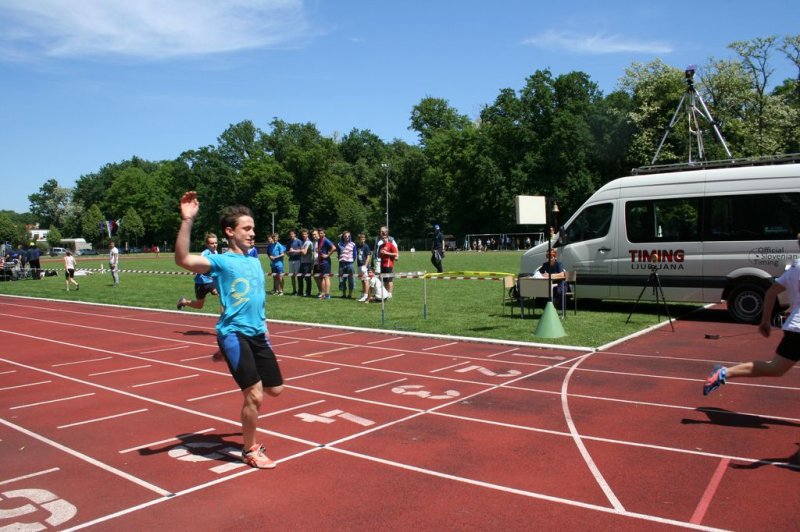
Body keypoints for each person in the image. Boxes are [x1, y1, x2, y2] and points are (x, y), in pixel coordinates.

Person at [175, 191, 284, 469]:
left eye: (253, 228)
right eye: (246, 228)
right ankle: (249, 450)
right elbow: (183, 260)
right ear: (229, 231)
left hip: (258, 333)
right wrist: (187, 220)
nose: (252, 233)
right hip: (233, 332)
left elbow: (257, 298)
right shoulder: (221, 261)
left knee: (276, 390)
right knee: (255, 394)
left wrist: (265, 326)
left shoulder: (254, 259)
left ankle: (229, 352)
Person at [704, 244, 800, 396]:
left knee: (776, 368)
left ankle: (723, 373)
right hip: (797, 329)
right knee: (775, 368)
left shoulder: (795, 268)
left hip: (795, 328)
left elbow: (771, 293)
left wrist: (766, 321)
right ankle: (723, 373)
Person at [177, 232, 219, 310]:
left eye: (216, 243)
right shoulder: (205, 254)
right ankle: (184, 301)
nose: (214, 245)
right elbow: (197, 263)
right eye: (212, 243)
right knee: (199, 305)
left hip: (211, 282)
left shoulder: (216, 253)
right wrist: (198, 269)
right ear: (207, 244)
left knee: (221, 294)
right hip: (201, 283)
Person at [336, 230, 356, 298]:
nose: (347, 237)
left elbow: (354, 255)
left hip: (350, 264)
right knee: (342, 280)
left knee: (351, 280)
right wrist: (340, 259)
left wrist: (351, 261)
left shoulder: (353, 244)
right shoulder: (339, 244)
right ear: (343, 237)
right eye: (345, 236)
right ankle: (344, 294)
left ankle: (350, 294)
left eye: (348, 236)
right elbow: (338, 253)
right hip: (342, 264)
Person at [378, 230, 399, 295]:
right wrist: (380, 254)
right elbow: (378, 256)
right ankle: (385, 293)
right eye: (383, 238)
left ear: (387, 238)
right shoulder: (381, 246)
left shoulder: (391, 245)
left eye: (385, 238)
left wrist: (386, 253)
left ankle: (390, 293)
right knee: (384, 280)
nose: (384, 239)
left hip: (389, 265)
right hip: (382, 265)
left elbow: (395, 254)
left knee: (389, 280)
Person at [317, 228, 335, 300]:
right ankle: (323, 294)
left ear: (324, 234)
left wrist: (328, 255)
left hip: (326, 262)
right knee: (322, 278)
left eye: (322, 233)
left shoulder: (326, 240)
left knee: (326, 277)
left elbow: (333, 248)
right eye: (319, 233)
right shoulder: (319, 241)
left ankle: (327, 294)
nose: (320, 234)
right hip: (321, 261)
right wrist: (318, 263)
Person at [355, 233, 372, 302]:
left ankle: (366, 295)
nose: (362, 240)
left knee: (366, 280)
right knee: (362, 280)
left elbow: (368, 256)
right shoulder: (358, 246)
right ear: (359, 240)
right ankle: (363, 294)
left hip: (364, 266)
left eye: (363, 239)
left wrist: (365, 265)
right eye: (361, 239)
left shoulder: (366, 246)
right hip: (359, 265)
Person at [286, 230, 303, 295]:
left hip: (298, 260)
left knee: (298, 275)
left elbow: (302, 251)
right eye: (290, 234)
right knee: (292, 276)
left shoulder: (299, 241)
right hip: (291, 260)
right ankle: (294, 290)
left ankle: (299, 291)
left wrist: (294, 251)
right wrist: (289, 252)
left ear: (295, 234)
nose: (291, 235)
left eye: (292, 234)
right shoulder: (288, 242)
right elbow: (286, 252)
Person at [298, 228, 314, 297]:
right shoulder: (303, 242)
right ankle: (300, 292)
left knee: (307, 278)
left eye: (305, 234)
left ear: (307, 235)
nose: (304, 235)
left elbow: (304, 252)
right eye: (303, 234)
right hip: (302, 262)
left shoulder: (308, 242)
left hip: (307, 263)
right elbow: (302, 252)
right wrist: (300, 250)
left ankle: (308, 293)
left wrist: (297, 250)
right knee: (299, 277)